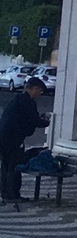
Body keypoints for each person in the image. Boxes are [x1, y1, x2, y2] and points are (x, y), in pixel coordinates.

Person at [0, 76, 49, 210]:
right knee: (15, 165)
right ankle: (13, 194)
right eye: (39, 91)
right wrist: (47, 122)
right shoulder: (27, 102)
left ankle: (5, 193)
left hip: (4, 136)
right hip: (13, 138)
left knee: (6, 165)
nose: (39, 94)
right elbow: (34, 120)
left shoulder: (17, 99)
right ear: (33, 89)